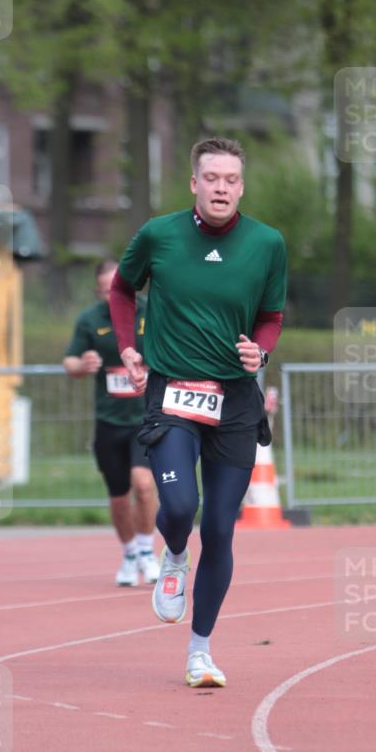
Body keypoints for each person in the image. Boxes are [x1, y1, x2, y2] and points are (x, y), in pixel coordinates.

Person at [110, 137, 287, 687]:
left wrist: (262, 350)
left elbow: (272, 316)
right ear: (194, 183)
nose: (222, 188)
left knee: (221, 528)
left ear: (242, 186)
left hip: (235, 401)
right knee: (181, 505)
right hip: (172, 392)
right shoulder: (159, 235)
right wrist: (127, 347)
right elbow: (121, 290)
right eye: (212, 178)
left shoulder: (267, 243)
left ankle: (200, 651)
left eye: (231, 180)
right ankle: (173, 555)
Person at [63, 260, 160, 587]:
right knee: (119, 498)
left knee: (144, 485)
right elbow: (70, 360)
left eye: (116, 287)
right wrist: (83, 364)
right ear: (97, 291)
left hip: (147, 418)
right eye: (104, 290)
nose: (111, 295)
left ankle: (148, 551)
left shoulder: (153, 312)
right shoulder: (90, 320)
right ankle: (130, 553)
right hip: (109, 420)